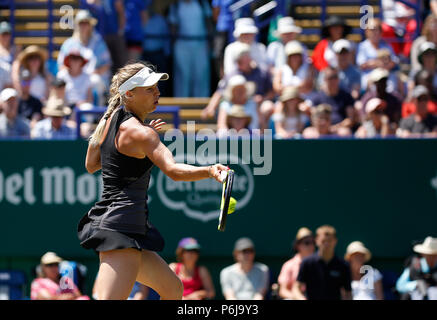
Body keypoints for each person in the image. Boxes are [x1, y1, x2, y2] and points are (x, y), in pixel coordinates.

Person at [77, 62, 228, 300]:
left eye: (157, 87)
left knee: (173, 289)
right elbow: (173, 170)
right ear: (129, 94)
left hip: (127, 227)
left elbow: (91, 164)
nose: (157, 92)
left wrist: (138, 141)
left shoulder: (112, 120)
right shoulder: (141, 133)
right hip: (121, 229)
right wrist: (209, 170)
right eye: (149, 88)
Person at [203, 43, 274, 130]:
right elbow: (219, 92)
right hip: (235, 108)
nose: (239, 63)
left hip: (257, 105)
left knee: (267, 107)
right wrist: (210, 107)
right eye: (238, 61)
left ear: (249, 59)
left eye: (243, 60)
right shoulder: (231, 76)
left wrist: (263, 99)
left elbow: (272, 91)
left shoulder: (262, 73)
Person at [57, 9, 112, 104]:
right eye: (81, 23)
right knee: (61, 77)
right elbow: (61, 65)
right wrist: (75, 73)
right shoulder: (69, 44)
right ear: (77, 25)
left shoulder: (98, 43)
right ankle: (64, 107)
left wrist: (96, 72)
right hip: (73, 77)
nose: (83, 26)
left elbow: (107, 64)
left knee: (96, 80)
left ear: (90, 25)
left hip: (91, 77)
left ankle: (97, 113)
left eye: (86, 23)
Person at [292, 225, 352, 300]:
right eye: (323, 241)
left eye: (329, 241)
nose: (326, 244)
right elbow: (296, 288)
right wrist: (301, 298)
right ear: (316, 241)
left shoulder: (343, 265)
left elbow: (348, 293)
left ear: (335, 241)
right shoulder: (307, 263)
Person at [168, 0, 213, 97]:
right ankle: (181, 105)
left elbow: (208, 22)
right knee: (183, 76)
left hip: (201, 43)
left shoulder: (202, 3)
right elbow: (173, 27)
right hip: (182, 45)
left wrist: (210, 43)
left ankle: (201, 105)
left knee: (201, 75)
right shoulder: (175, 5)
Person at [305, 66, 357, 132]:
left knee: (344, 132)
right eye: (330, 77)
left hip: (339, 129)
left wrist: (335, 128)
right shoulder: (317, 97)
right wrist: (324, 128)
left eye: (335, 77)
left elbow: (350, 119)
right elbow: (314, 118)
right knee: (308, 132)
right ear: (325, 79)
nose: (333, 80)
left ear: (338, 79)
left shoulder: (346, 96)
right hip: (321, 130)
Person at [81, 0, 127, 74]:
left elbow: (120, 10)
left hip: (114, 34)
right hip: (98, 37)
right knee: (101, 63)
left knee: (120, 64)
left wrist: (121, 30)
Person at [356, 18, 398, 91]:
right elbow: (362, 64)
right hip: (369, 76)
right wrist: (380, 63)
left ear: (381, 32)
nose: (374, 32)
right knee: (374, 88)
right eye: (372, 30)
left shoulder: (386, 45)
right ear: (367, 32)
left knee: (393, 86)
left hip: (386, 74)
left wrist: (381, 64)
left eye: (377, 29)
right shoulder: (362, 46)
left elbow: (394, 61)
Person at [359, 68, 402, 132]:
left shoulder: (395, 98)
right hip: (371, 127)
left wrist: (385, 122)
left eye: (384, 81)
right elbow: (363, 118)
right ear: (375, 83)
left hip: (391, 129)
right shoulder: (367, 97)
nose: (382, 84)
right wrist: (375, 117)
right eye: (380, 82)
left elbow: (397, 119)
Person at [277, 227, 315, 299]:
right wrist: (299, 298)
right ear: (298, 245)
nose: (311, 246)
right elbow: (283, 291)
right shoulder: (289, 265)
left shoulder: (319, 264)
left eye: (313, 242)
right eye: (307, 243)